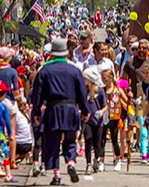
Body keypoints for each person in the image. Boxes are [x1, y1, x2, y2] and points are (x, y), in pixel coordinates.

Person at [31, 38, 90, 186]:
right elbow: (82, 93)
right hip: (70, 109)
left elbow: (37, 94)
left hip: (52, 108)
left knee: (53, 142)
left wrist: (36, 112)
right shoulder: (75, 70)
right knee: (70, 140)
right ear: (66, 53)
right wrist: (85, 110)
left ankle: (57, 174)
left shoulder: (44, 70)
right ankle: (71, 163)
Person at [100, 69, 126, 172]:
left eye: (106, 77)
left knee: (115, 140)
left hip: (115, 117)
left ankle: (118, 159)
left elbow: (126, 101)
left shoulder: (117, 90)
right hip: (104, 117)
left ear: (111, 77)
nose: (104, 79)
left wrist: (127, 98)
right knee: (102, 140)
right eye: (103, 77)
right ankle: (101, 161)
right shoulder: (102, 90)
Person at [83, 67, 107, 174]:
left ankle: (96, 159)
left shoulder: (100, 91)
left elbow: (105, 105)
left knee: (97, 143)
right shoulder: (84, 91)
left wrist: (101, 112)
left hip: (98, 121)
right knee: (88, 140)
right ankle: (88, 163)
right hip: (87, 121)